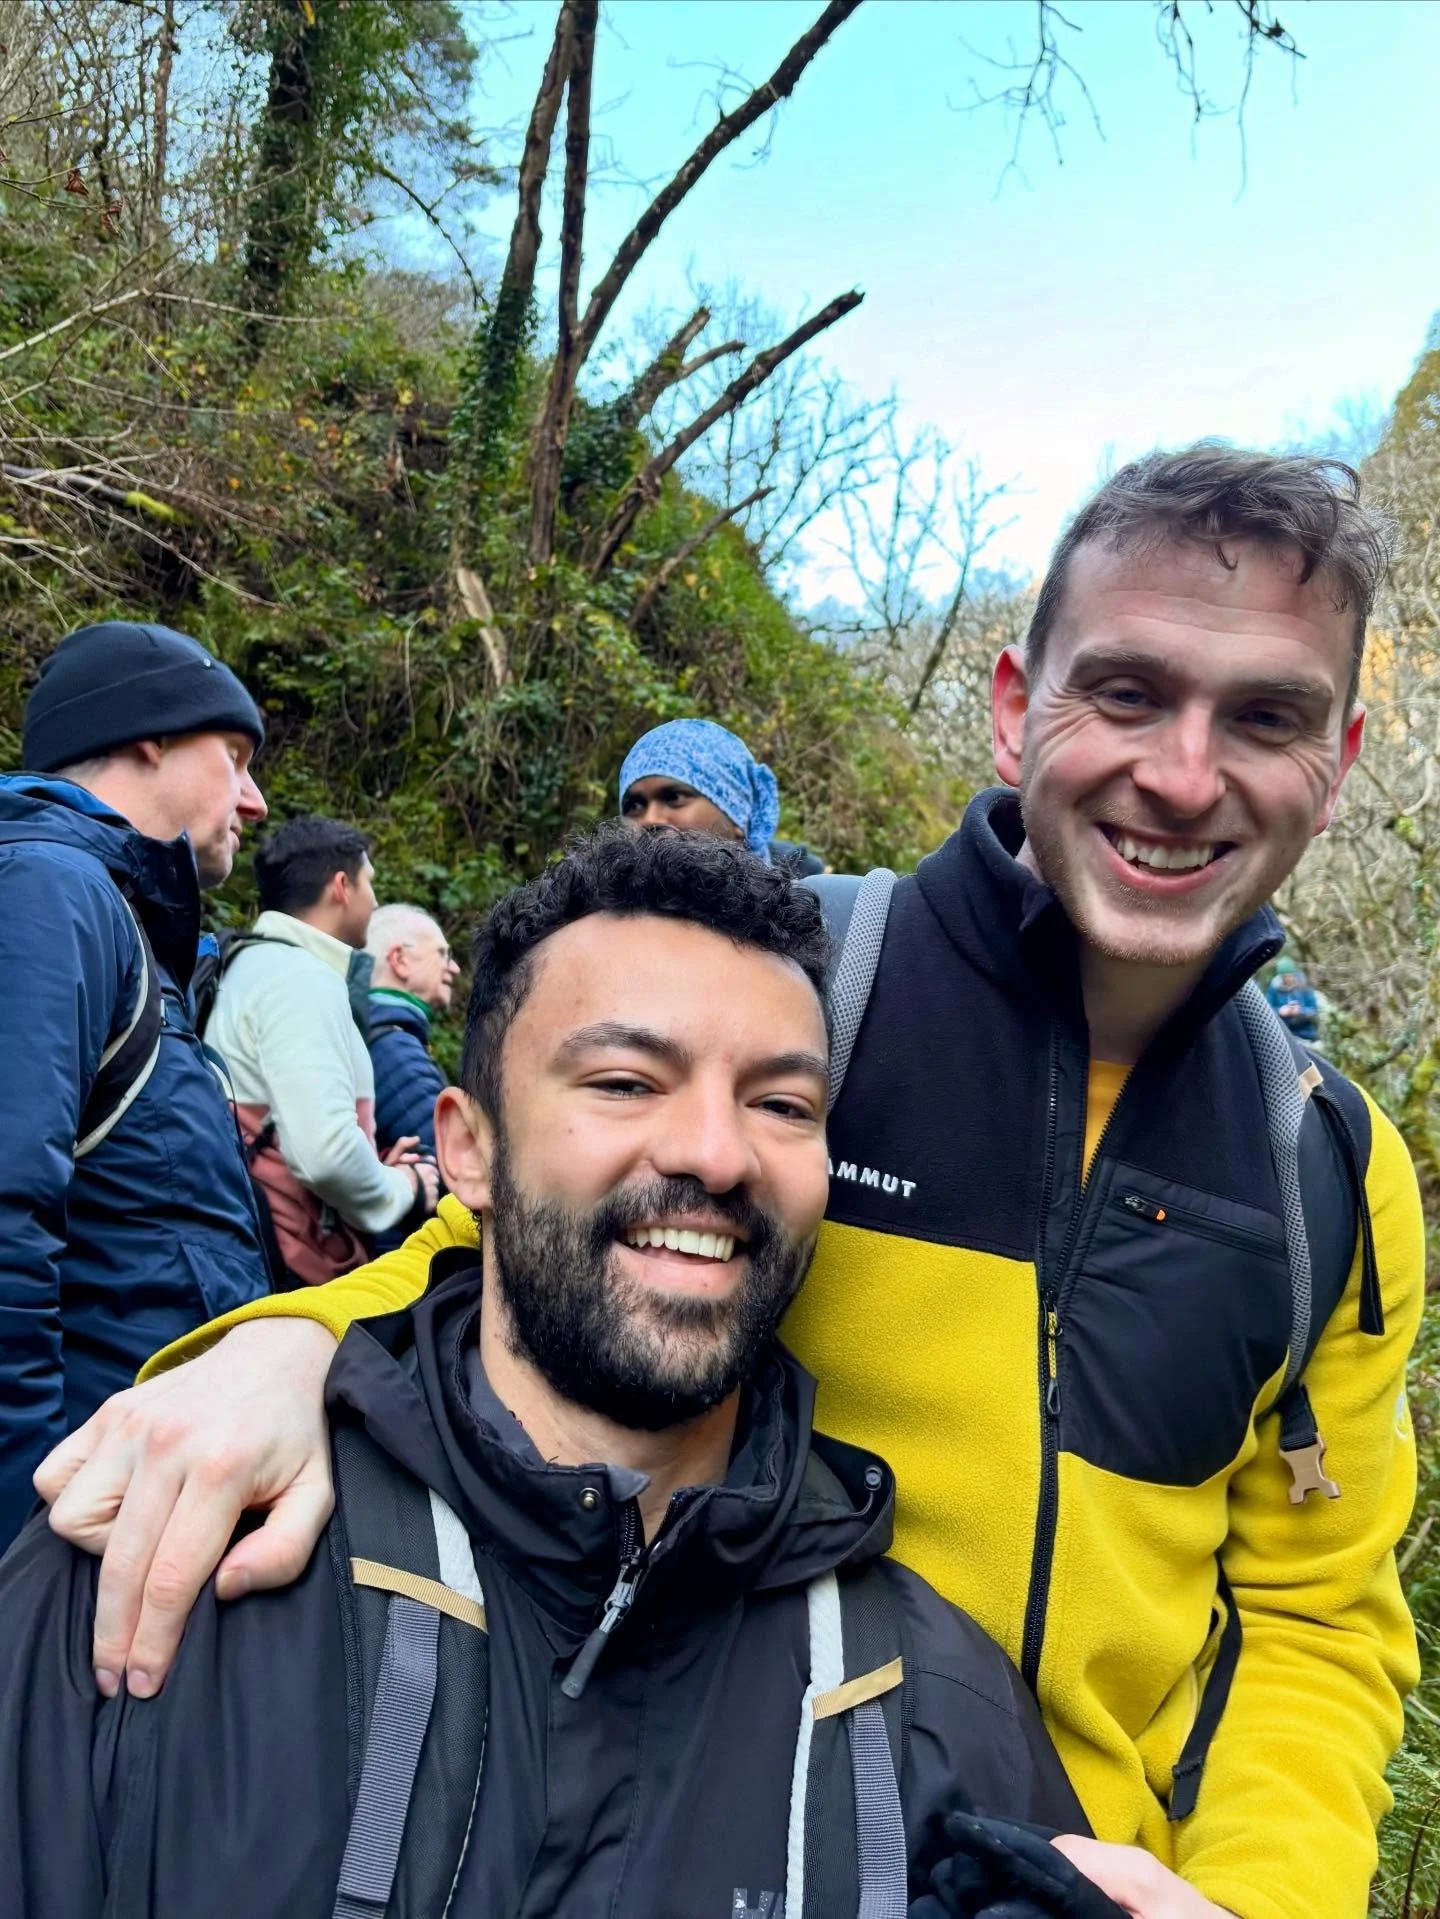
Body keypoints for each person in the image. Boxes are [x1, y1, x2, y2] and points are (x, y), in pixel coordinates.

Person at [36, 448, 1425, 1919]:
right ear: (1019, 709)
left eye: (1264, 715)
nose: (1183, 772)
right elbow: (506, 1231)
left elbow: (1317, 1612)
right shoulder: (808, 988)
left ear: (1336, 763)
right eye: (1130, 692)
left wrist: (1260, 1896)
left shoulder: (1321, 1163)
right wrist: (282, 1342)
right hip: (714, 1828)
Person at [0, 827, 1096, 1919]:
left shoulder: (935, 1711)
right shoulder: (153, 1575)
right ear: (466, 1150)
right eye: (625, 1080)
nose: (716, 1153)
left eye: (782, 1104)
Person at [0, 619, 272, 1548]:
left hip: (140, 1501)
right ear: (148, 734)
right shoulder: (51, 892)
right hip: (80, 1524)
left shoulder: (121, 922)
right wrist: (26, 1540)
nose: (256, 800)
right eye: (235, 758)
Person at [204, 816, 439, 1284]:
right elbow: (325, 1155)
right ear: (341, 887)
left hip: (258, 1251)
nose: (375, 902)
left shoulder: (253, 964)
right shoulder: (300, 979)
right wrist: (404, 1187)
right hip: (292, 1270)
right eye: (369, 884)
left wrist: (368, 1168)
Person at [365, 901, 459, 1162]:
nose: (454, 968)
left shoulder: (378, 1033)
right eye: (442, 954)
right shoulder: (392, 1050)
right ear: (400, 960)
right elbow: (454, 1162)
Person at [1267, 961, 1321, 1042]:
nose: (1288, 979)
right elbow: (1268, 1010)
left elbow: (1314, 1010)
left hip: (1306, 1033)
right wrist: (1280, 1011)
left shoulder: (1304, 986)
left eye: (1290, 975)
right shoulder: (1274, 988)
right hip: (1284, 1034)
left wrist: (1300, 1011)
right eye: (1285, 977)